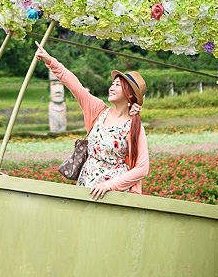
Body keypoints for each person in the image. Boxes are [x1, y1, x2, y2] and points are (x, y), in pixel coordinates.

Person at [35, 43, 149, 200]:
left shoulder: (133, 125)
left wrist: (109, 186)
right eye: (112, 84)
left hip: (113, 193)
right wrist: (50, 61)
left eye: (118, 85)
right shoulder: (98, 110)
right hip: (86, 183)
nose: (112, 87)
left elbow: (142, 168)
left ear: (130, 95)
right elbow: (75, 86)